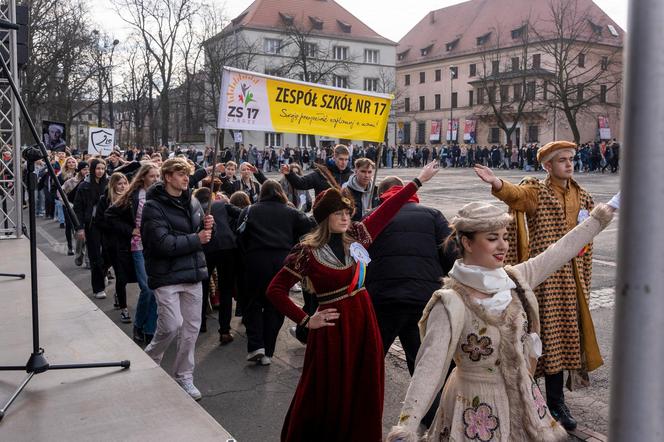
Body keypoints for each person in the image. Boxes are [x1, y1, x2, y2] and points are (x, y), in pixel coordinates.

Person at [386, 200, 615, 442]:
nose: (503, 246)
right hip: (475, 409)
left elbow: (558, 252)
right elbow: (429, 368)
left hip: (525, 400)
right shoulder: (450, 302)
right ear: (467, 242)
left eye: (505, 237)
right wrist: (407, 427)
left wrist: (600, 217)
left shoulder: (514, 278)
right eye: (492, 238)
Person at [265, 161, 440, 441]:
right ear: (325, 217)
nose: (345, 217)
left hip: (363, 320)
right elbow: (275, 290)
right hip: (331, 331)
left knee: (364, 384)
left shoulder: (357, 236)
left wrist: (418, 181)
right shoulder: (306, 251)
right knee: (328, 389)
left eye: (347, 212)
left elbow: (387, 210)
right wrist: (306, 319)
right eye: (338, 213)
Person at [474, 140, 600, 431]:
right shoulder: (537, 191)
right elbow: (517, 196)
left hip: (572, 282)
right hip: (543, 281)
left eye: (571, 159)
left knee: (564, 341)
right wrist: (497, 183)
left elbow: (589, 242)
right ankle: (533, 401)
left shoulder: (584, 197)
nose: (569, 164)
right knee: (539, 341)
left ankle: (555, 402)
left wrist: (585, 280)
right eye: (562, 160)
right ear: (547, 166)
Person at [365, 176, 455, 374]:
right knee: (423, 363)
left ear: (381, 195)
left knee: (370, 361)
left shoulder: (372, 217)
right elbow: (451, 253)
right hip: (424, 296)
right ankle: (425, 404)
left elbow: (359, 259)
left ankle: (363, 402)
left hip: (383, 297)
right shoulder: (433, 215)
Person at [140, 158, 214, 400]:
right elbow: (162, 244)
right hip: (167, 274)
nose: (185, 178)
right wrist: (197, 238)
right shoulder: (153, 207)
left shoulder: (193, 202)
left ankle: (184, 376)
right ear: (168, 176)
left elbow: (205, 236)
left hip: (192, 273)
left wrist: (210, 227)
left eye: (187, 174)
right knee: (171, 326)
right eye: (180, 174)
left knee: (191, 330)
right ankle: (150, 358)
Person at [238, 180, 314, 365]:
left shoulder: (249, 210)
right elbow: (309, 227)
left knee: (253, 302)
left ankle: (256, 345)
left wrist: (246, 258)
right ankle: (268, 352)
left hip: (256, 260)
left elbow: (239, 237)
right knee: (276, 304)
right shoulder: (291, 212)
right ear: (281, 193)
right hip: (282, 261)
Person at [106, 163, 161, 344]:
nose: (156, 180)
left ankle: (149, 329)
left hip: (156, 247)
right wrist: (131, 230)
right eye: (152, 176)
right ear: (143, 177)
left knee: (155, 290)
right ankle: (138, 325)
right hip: (137, 247)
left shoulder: (160, 194)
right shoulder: (133, 195)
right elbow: (110, 215)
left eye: (158, 176)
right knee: (147, 288)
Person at [96, 172, 135, 323]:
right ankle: (124, 309)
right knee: (121, 276)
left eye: (125, 183)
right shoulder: (104, 200)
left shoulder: (131, 199)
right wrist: (117, 227)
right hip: (113, 244)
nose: (123, 186)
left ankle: (119, 295)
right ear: (113, 185)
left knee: (132, 275)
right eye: (119, 183)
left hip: (130, 242)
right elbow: (99, 221)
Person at [73, 158, 108, 299]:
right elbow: (78, 208)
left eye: (103, 168)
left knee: (108, 255)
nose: (100, 171)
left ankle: (103, 273)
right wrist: (80, 228)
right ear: (92, 169)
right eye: (97, 168)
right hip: (92, 225)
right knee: (95, 258)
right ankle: (98, 288)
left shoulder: (109, 183)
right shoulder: (84, 186)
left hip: (108, 224)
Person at [280, 144, 352, 196]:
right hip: (324, 215)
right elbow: (301, 183)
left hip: (345, 215)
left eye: (346, 159)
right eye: (341, 159)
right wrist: (289, 173)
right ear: (334, 157)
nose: (344, 162)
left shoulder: (351, 175)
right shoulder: (321, 173)